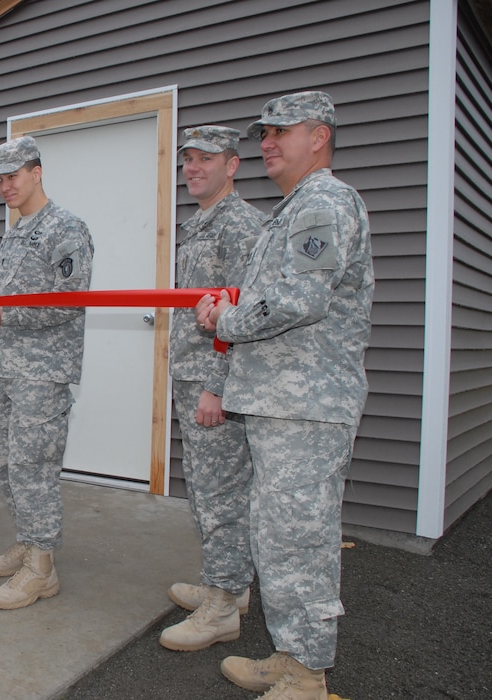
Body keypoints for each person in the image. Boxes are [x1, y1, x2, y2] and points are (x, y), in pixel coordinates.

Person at [196, 92, 373, 699]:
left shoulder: (323, 203)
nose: (266, 143)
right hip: (281, 401)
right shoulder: (294, 208)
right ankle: (292, 654)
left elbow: (300, 300)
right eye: (263, 133)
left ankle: (307, 672)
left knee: (300, 536)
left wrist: (226, 320)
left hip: (307, 403)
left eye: (280, 132)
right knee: (278, 533)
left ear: (318, 135)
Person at [0, 135, 93, 610]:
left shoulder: (67, 228)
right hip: (2, 365)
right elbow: (10, 300)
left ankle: (42, 567)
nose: (4, 187)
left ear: (37, 171)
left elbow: (69, 299)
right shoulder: (17, 230)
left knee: (33, 466)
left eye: (12, 176)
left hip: (42, 371)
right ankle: (27, 539)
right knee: (7, 464)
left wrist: (6, 317)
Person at [160, 126, 262, 650]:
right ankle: (229, 585)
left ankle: (223, 606)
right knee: (205, 490)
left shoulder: (241, 226)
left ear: (233, 165)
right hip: (192, 375)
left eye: (207, 159)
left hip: (214, 382)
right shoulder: (199, 224)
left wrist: (217, 387)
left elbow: (241, 312)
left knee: (220, 493)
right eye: (189, 160)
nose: (194, 167)